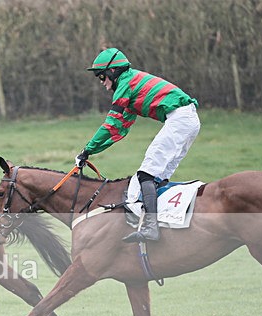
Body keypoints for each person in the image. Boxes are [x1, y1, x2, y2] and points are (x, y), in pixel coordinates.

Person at [75, 48, 200, 242]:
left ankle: (151, 227)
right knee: (159, 177)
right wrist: (90, 152)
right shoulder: (131, 83)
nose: (103, 84)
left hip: (180, 119)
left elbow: (111, 123)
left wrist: (87, 150)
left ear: (113, 72)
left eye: (102, 77)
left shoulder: (126, 82)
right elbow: (120, 129)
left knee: (146, 174)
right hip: (187, 120)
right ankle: (164, 223)